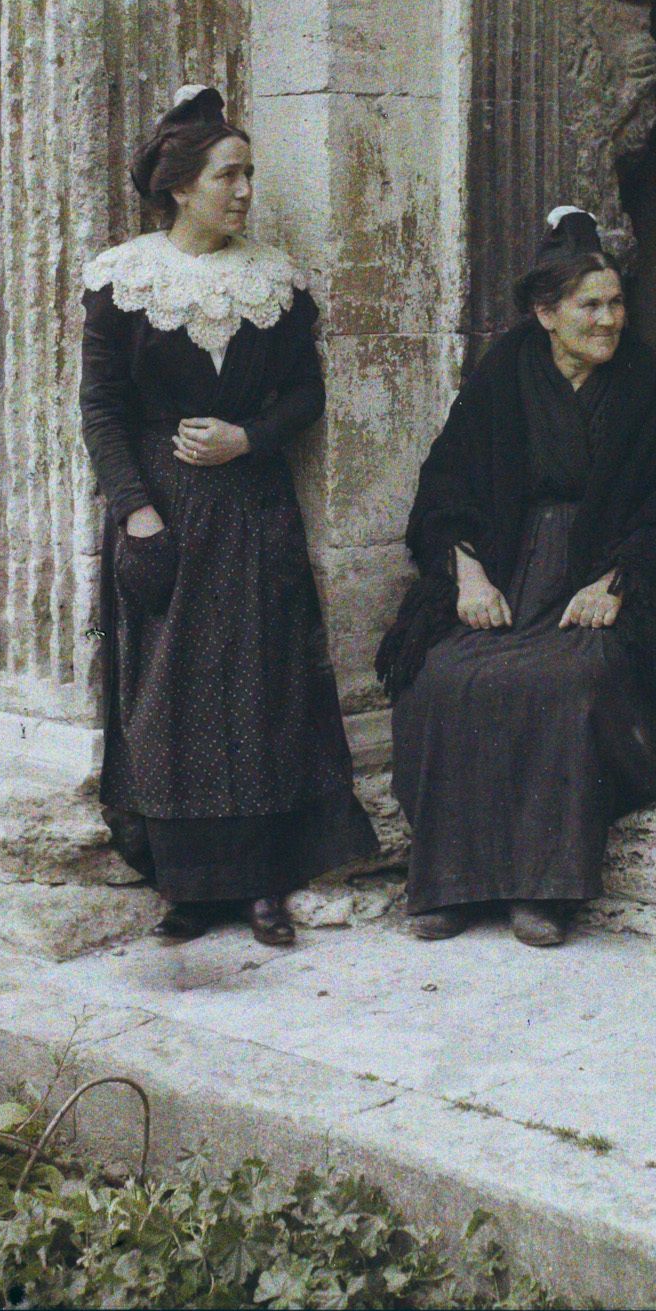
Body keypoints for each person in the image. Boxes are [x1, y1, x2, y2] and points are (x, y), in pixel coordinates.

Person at [79, 85, 378, 947]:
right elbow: (101, 410)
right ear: (181, 184)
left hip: (252, 510)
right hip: (165, 514)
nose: (245, 190)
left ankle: (264, 887)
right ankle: (188, 886)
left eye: (249, 174)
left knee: (262, 690)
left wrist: (248, 437)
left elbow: (308, 395)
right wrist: (135, 513)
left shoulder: (276, 284)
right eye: (229, 174)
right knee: (168, 695)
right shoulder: (123, 282)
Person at [377, 207, 656, 948]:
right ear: (546, 313)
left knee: (566, 682)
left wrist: (615, 582)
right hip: (508, 568)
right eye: (590, 305)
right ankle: (450, 885)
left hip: (599, 577)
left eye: (616, 302)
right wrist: (467, 574)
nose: (609, 318)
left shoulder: (647, 386)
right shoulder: (504, 375)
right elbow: (444, 485)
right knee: (440, 677)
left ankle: (544, 890)